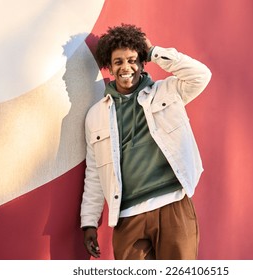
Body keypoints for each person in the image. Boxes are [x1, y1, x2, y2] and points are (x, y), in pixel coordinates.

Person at [80, 23, 212, 260]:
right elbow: (94, 172)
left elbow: (201, 75)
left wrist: (153, 52)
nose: (126, 67)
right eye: (118, 62)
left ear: (142, 63)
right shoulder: (96, 115)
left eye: (132, 60)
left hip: (173, 204)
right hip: (128, 216)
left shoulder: (167, 92)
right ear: (109, 67)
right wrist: (89, 221)